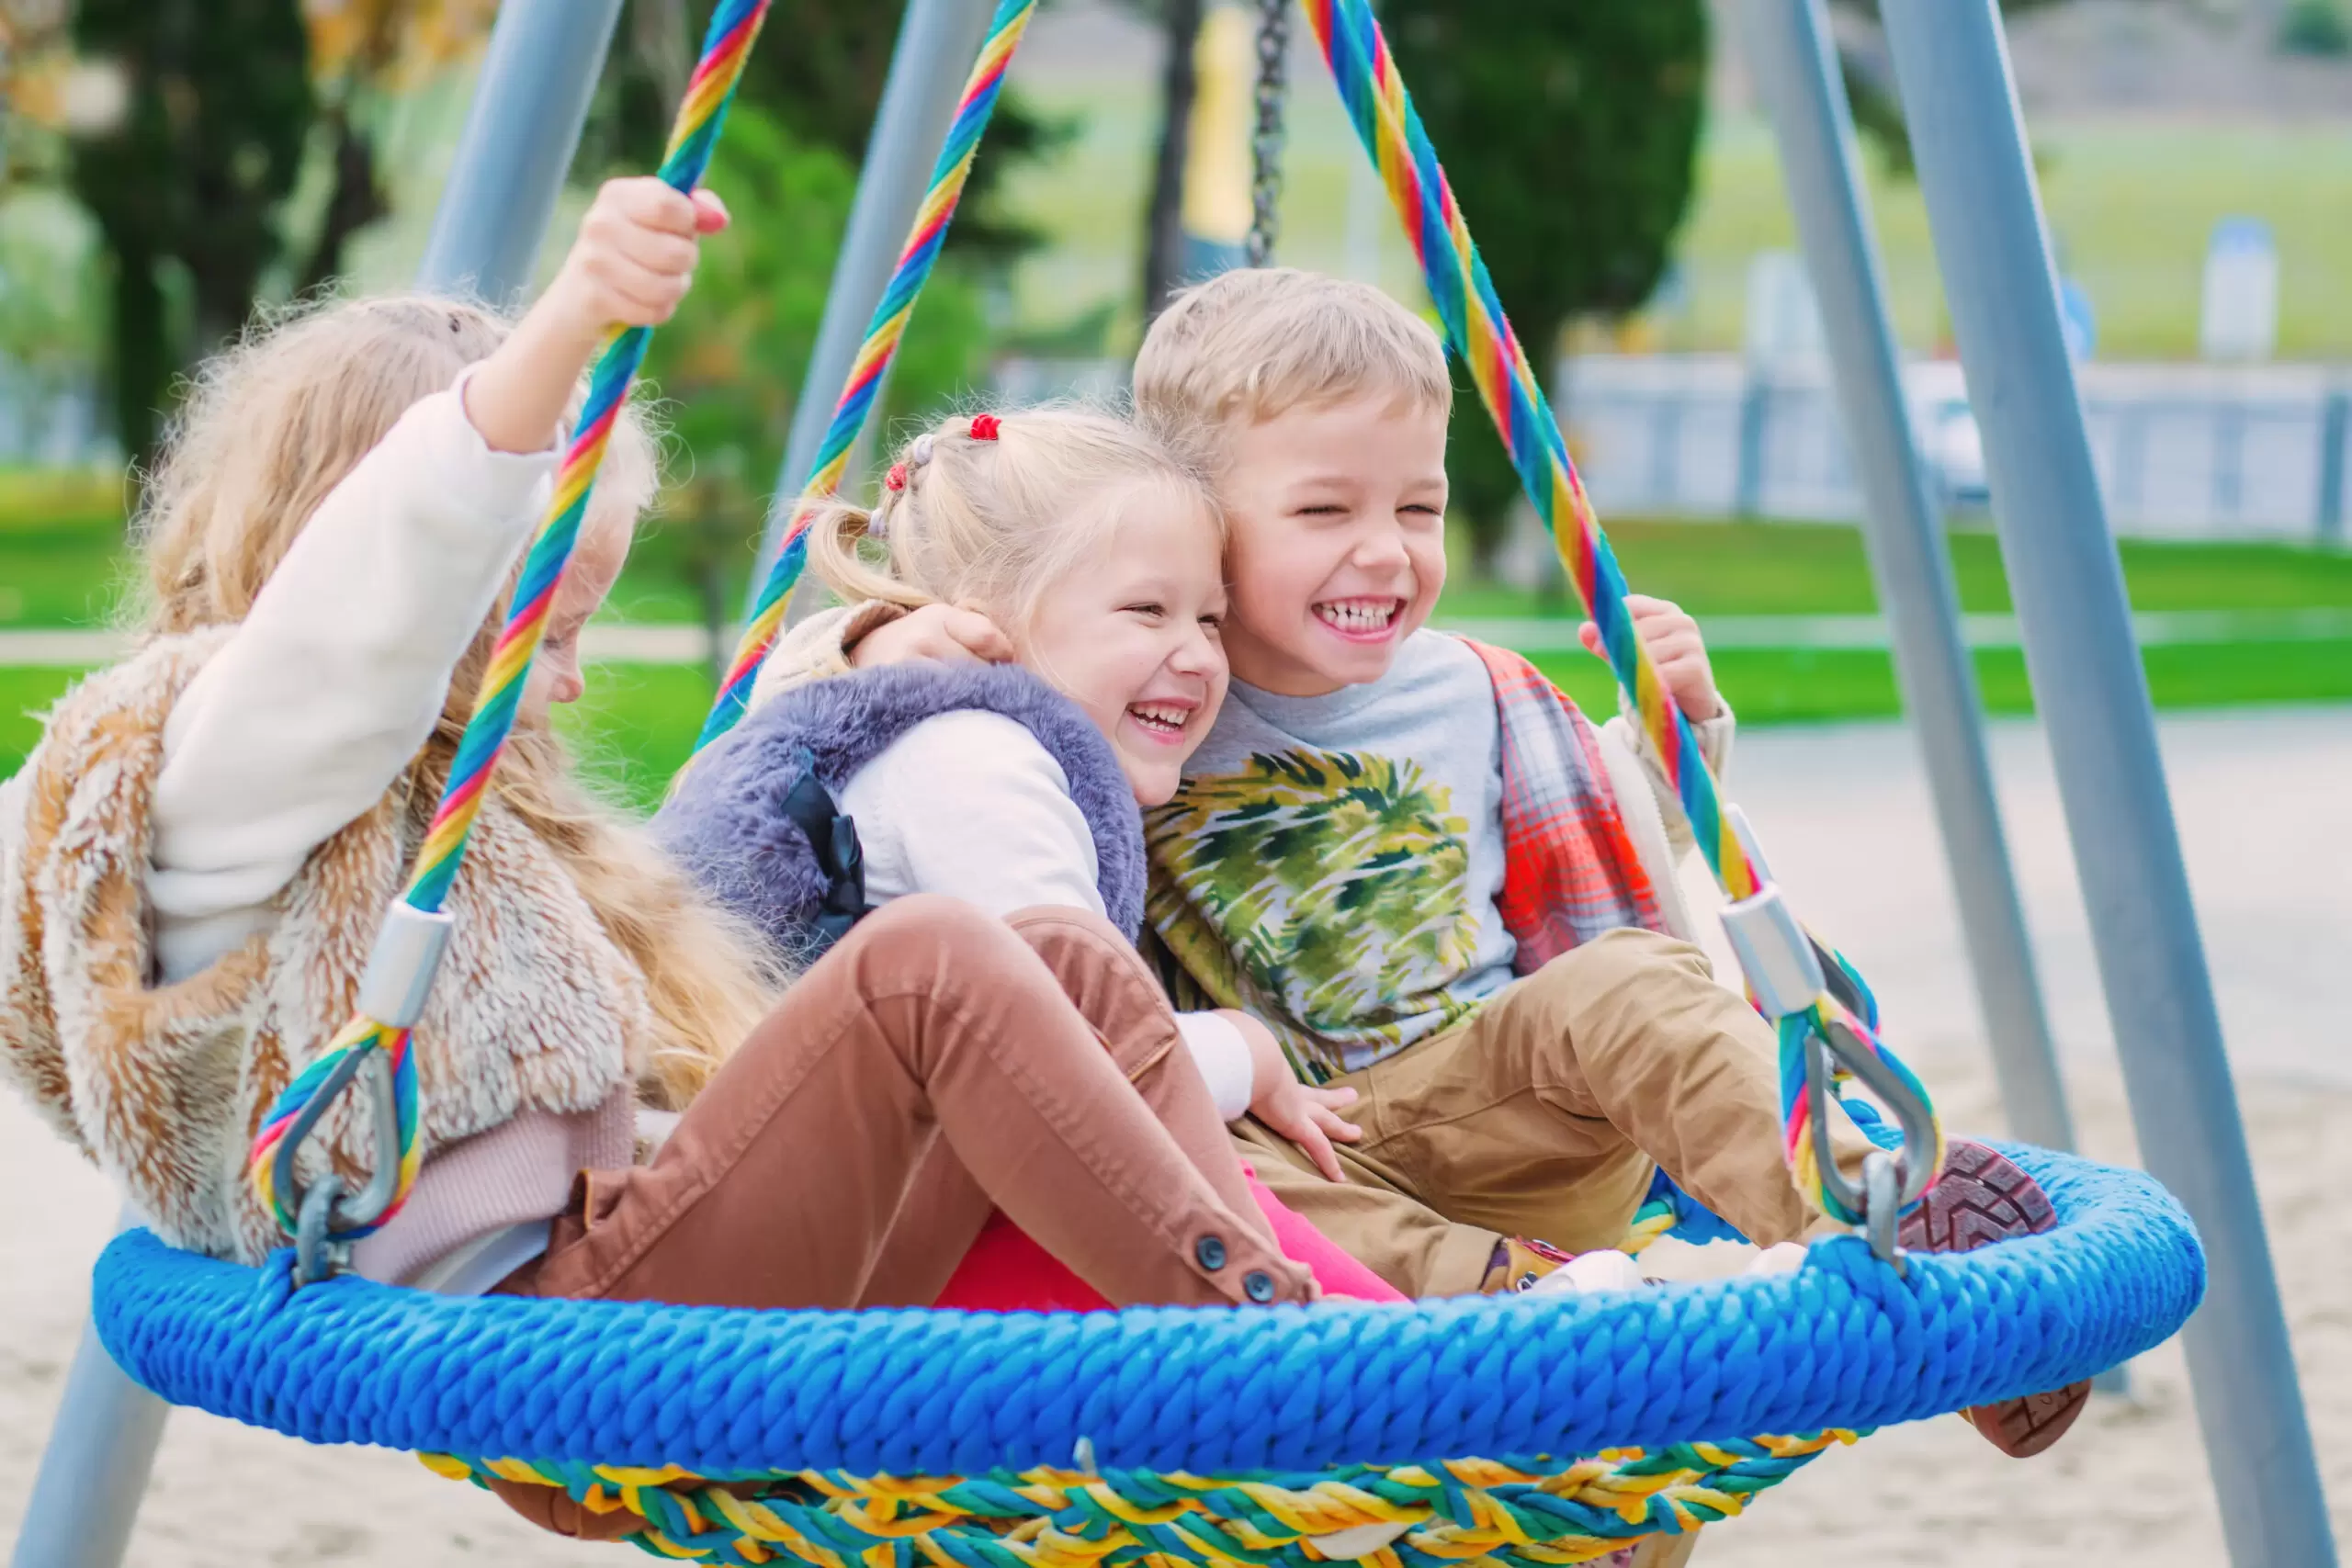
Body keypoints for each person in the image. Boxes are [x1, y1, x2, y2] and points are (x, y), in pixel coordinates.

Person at [0, 181, 1321, 1402]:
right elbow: (372, 605)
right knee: (929, 967)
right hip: (551, 1337)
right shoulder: (232, 774)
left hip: (642, 1267)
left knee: (1057, 961)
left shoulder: (455, 815)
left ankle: (1315, 1322)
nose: (573, 680)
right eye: (552, 632)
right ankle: (1271, 1366)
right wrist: (566, 329)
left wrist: (860, 656)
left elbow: (746, 786)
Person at [773, 267, 2087, 1458]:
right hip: (1307, 1169)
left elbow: (1617, 870)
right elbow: (858, 739)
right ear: (1197, 527)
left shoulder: (1482, 691)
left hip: (1499, 1096)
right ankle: (1538, 1335)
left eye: (1419, 505)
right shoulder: (1140, 690)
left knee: (1631, 983)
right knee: (1188, 1156)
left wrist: (1674, 741)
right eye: (1324, 509)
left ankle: (1886, 1228)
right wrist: (875, 642)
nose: (1385, 549)